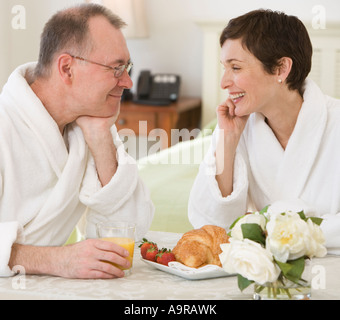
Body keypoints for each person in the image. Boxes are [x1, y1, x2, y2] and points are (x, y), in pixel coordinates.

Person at [0, 4, 154, 279]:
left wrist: (100, 137)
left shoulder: (89, 124)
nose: (128, 82)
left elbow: (130, 230)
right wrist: (57, 260)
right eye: (117, 68)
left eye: (127, 67)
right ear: (67, 68)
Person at [188, 9, 340, 254]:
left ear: (281, 68)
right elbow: (211, 223)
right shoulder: (237, 126)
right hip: (263, 274)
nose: (224, 82)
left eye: (235, 68)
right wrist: (227, 140)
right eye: (224, 68)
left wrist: (273, 229)